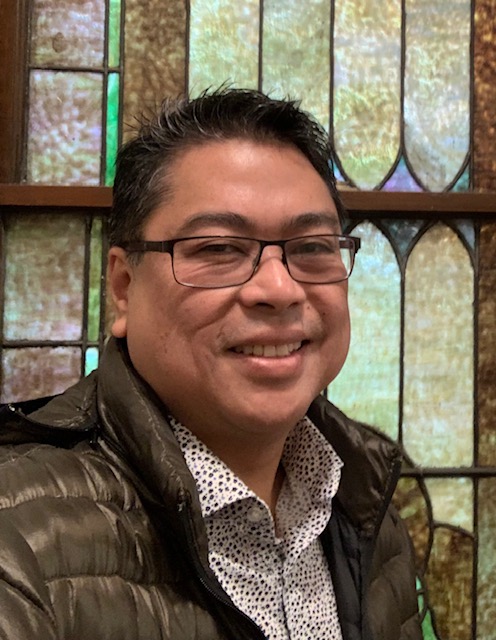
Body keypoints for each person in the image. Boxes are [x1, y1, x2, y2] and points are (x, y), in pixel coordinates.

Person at [0, 87, 421, 640]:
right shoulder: (19, 541)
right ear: (123, 287)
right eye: (219, 248)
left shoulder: (367, 508)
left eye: (312, 247)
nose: (279, 289)